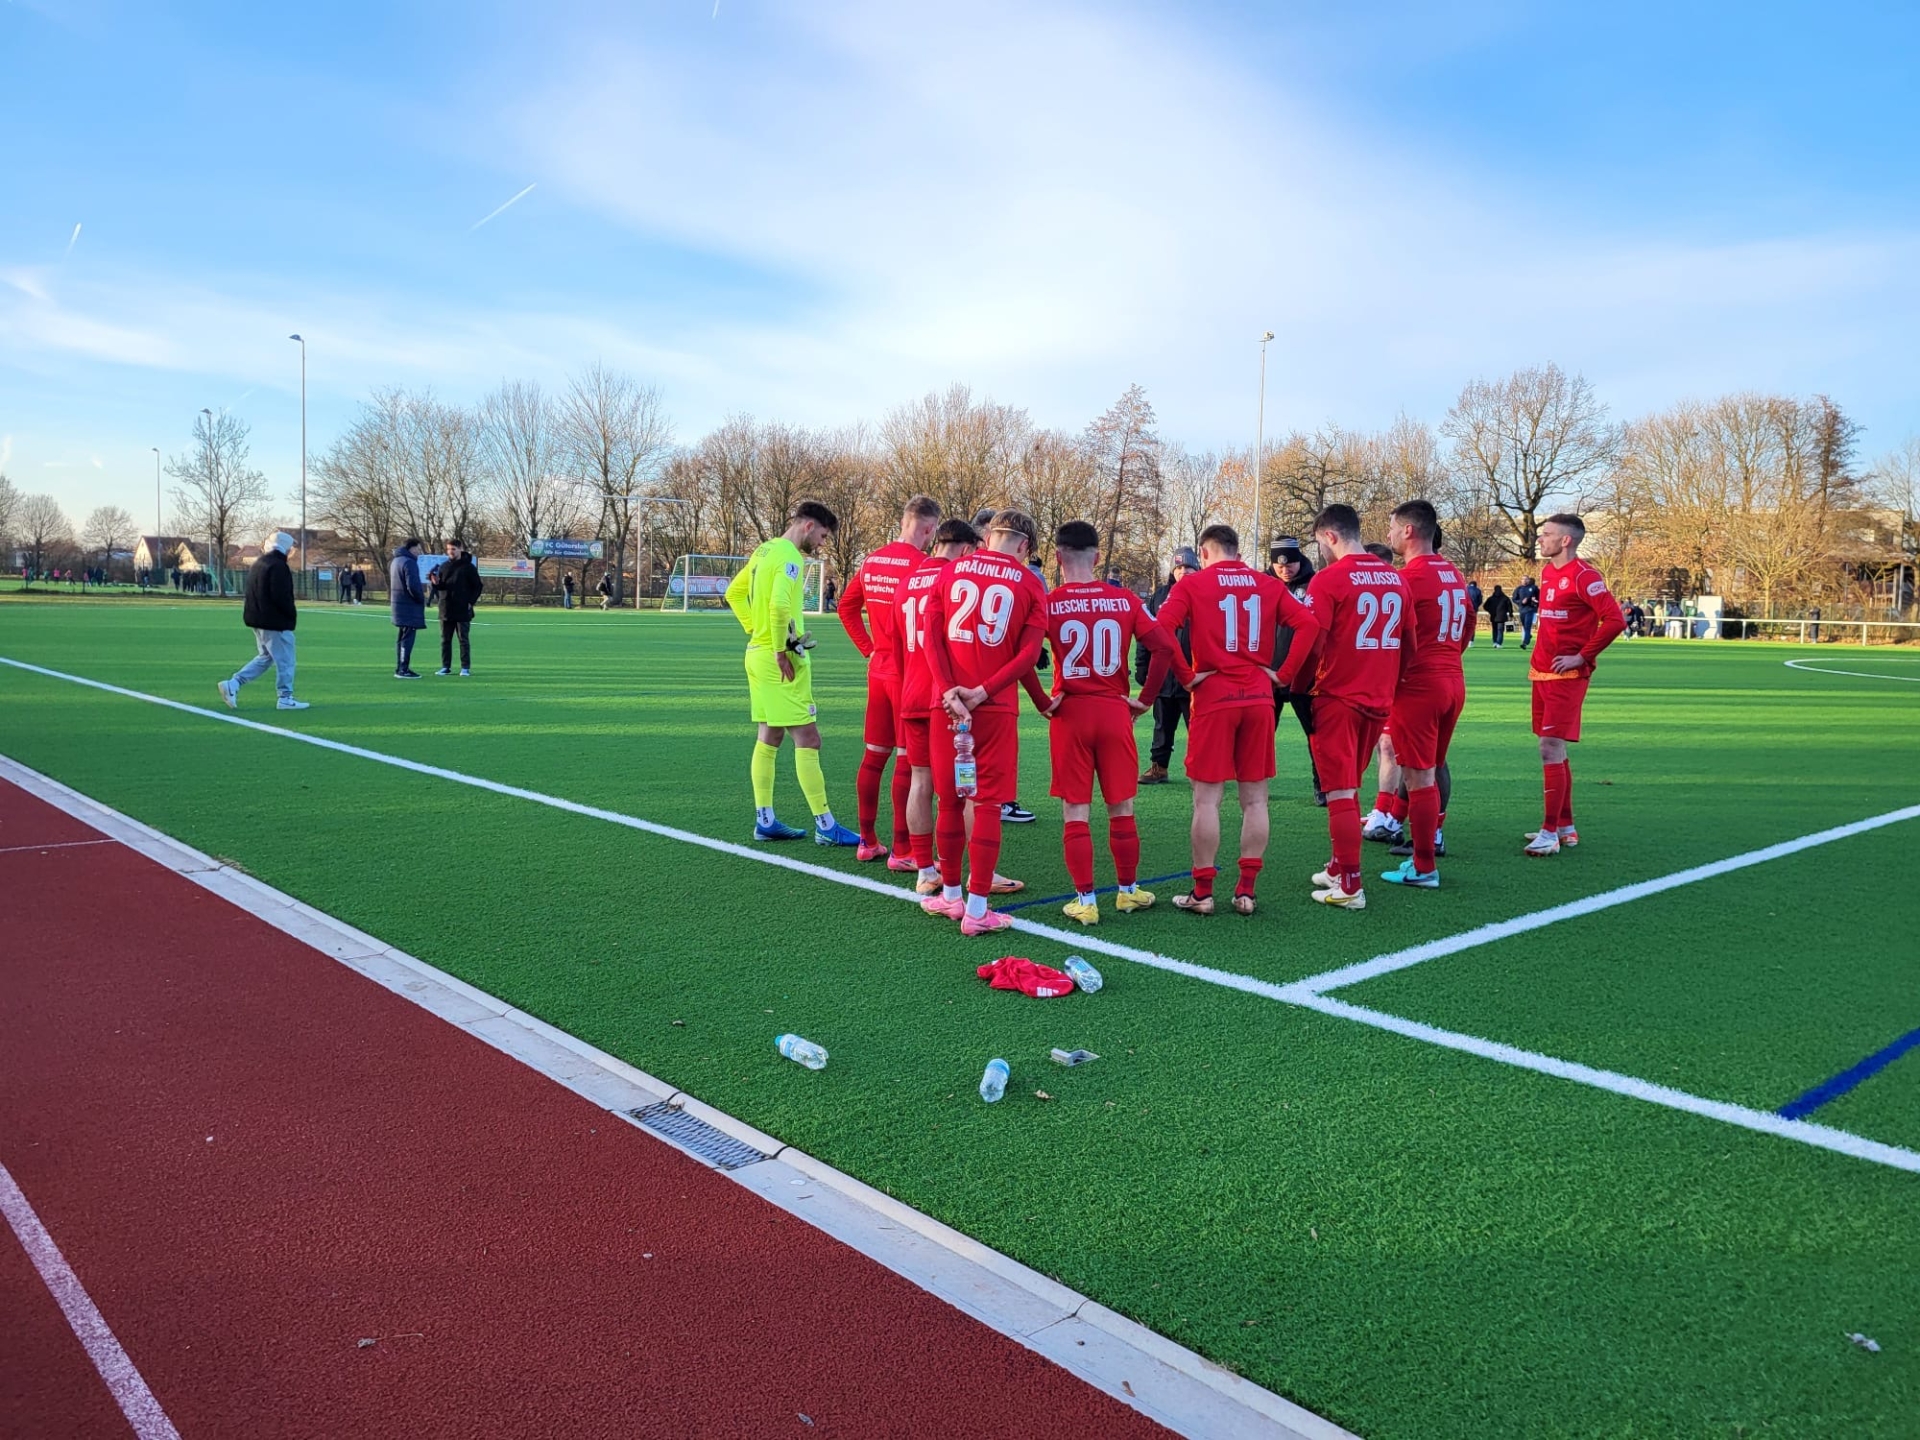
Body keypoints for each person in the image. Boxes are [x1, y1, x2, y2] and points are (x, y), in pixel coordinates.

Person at [1154, 524, 1318, 916]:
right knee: (1255, 799)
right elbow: (1308, 624)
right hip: (1259, 697)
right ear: (1237, 550)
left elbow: (1160, 630)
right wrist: (1284, 674)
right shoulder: (1267, 584)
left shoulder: (1192, 585)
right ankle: (1245, 891)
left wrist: (1187, 676)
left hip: (1213, 698)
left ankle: (1203, 892)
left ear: (1204, 553)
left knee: (1207, 800)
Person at [1040, 520, 1184, 925]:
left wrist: (1042, 701)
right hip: (1114, 709)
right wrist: (1145, 701)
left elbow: (1022, 654)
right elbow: (1164, 648)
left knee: (1076, 809)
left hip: (1070, 713)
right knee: (1121, 806)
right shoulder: (1124, 600)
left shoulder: (1050, 602)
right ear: (1098, 558)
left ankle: (1085, 900)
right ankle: (1126, 892)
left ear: (1057, 557)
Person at [922, 509, 1050, 936]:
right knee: (988, 802)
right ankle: (977, 909)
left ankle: (952, 897)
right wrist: (983, 692)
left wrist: (947, 689)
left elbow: (931, 635)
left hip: (947, 705)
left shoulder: (952, 570)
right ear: (1025, 546)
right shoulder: (1030, 582)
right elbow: (1029, 656)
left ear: (989, 536)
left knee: (950, 800)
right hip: (992, 708)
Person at [726, 501, 862, 848]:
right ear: (808, 526)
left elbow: (734, 593)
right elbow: (779, 607)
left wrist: (755, 632)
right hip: (778, 660)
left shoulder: (764, 550)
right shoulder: (789, 556)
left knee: (769, 737)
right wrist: (781, 649)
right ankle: (826, 825)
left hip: (756, 656)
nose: (821, 543)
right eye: (822, 535)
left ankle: (765, 820)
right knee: (809, 738)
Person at [1302, 503, 1416, 910]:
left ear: (1330, 536)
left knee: (1340, 790)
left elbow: (1312, 644)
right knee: (1351, 780)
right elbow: (1409, 644)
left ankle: (1349, 884)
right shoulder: (1395, 578)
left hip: (1338, 696)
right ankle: (1338, 865)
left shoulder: (1329, 579)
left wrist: (1296, 686)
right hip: (1378, 696)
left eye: (1321, 543)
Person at [837, 494, 943, 865]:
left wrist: (868, 648)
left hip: (878, 670)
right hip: (907, 673)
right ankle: (902, 849)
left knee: (873, 756)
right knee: (907, 761)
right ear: (929, 529)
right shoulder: (925, 566)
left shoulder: (872, 561)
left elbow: (845, 607)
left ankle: (867, 841)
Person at [1377, 501, 1468, 888]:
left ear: (1410, 531)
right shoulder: (1455, 574)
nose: (1389, 535)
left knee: (1418, 776)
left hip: (1419, 685)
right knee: (1433, 767)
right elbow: (1466, 635)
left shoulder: (1408, 578)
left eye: (1393, 527)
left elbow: (1395, 639)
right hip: (1452, 679)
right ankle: (1429, 845)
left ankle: (1424, 865)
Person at [1524, 514, 1625, 856]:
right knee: (1554, 749)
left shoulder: (1585, 576)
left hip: (1567, 676)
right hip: (1542, 673)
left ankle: (1549, 832)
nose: (1541, 539)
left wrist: (1582, 656)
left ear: (1566, 540)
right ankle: (1565, 826)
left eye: (1547, 534)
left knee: (1549, 748)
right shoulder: (1549, 572)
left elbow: (1615, 619)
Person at [894, 518, 981, 896]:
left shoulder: (907, 580)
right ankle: (977, 872)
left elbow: (898, 643)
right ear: (964, 550)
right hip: (945, 698)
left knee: (921, 781)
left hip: (910, 691)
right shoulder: (956, 582)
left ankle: (924, 869)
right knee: (965, 790)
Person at [217, 531, 307, 711]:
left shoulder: (260, 563)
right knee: (286, 660)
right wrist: (290, 617)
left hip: (257, 618)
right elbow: (282, 596)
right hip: (274, 621)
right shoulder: (278, 566)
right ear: (285, 547)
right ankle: (285, 697)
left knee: (266, 657)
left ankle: (234, 684)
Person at [1268, 538, 1325, 805]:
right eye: (1278, 564)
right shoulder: (1263, 585)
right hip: (1270, 673)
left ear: (1299, 558)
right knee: (1263, 734)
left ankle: (1322, 785)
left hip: (1307, 674)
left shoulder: (1316, 583)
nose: (1284, 569)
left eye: (1289, 562)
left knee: (1316, 734)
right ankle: (1257, 785)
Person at [1138, 547, 1199, 784]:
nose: (1184, 572)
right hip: (1164, 675)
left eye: (1189, 567)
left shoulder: (1206, 594)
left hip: (1193, 675)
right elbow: (1146, 633)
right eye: (1179, 567)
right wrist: (1143, 666)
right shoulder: (1160, 596)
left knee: (1197, 727)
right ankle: (1158, 767)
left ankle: (1203, 770)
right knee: (1162, 725)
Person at [429, 538, 484, 676]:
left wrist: (470, 602)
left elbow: (478, 586)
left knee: (463, 640)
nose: (450, 552)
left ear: (460, 549)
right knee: (445, 639)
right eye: (448, 549)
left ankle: (465, 667)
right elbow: (441, 587)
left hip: (462, 609)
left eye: (453, 549)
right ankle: (445, 666)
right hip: (446, 608)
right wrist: (435, 583)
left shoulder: (468, 567)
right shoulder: (443, 567)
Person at [389, 538, 427, 678]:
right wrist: (421, 599)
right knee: (407, 638)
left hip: (399, 605)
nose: (419, 552)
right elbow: (413, 586)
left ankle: (400, 667)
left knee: (401, 637)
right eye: (418, 549)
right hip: (408, 607)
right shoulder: (409, 562)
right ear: (411, 548)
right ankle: (403, 669)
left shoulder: (396, 561)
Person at [1514, 575, 1540, 648]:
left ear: (1529, 580)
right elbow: (1514, 599)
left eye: (1526, 579)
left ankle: (1525, 643)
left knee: (1527, 626)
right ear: (1521, 580)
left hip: (1530, 609)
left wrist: (1535, 602)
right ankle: (1528, 636)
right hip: (1522, 610)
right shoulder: (1519, 589)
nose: (1525, 581)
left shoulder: (1533, 588)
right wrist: (1521, 602)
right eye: (1523, 579)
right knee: (1524, 626)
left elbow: (1539, 597)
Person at [1465, 578, 1484, 647]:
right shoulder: (1478, 591)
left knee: (1463, 625)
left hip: (1465, 609)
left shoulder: (1465, 589)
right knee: (1471, 625)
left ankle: (1462, 640)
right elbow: (1480, 601)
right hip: (1473, 610)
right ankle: (1471, 641)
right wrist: (1476, 606)